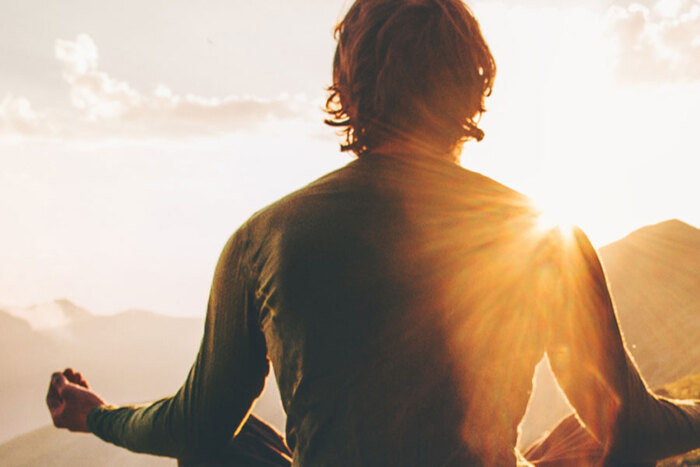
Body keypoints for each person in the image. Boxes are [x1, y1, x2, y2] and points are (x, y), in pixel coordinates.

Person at [46, 0, 700, 465]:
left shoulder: (263, 239)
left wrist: (95, 414)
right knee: (587, 437)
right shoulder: (545, 237)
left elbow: (193, 425)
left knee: (225, 438)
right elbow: (634, 431)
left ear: (346, 87)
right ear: (474, 86)